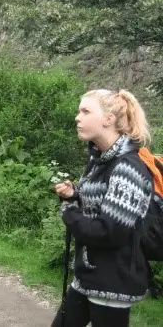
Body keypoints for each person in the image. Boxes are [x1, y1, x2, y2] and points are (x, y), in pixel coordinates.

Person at [51, 89, 153, 327]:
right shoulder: (100, 159)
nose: (77, 117)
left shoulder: (127, 168)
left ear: (108, 119)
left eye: (85, 111)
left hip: (113, 283)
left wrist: (69, 212)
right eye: (79, 111)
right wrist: (75, 195)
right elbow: (100, 205)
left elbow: (109, 232)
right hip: (88, 276)